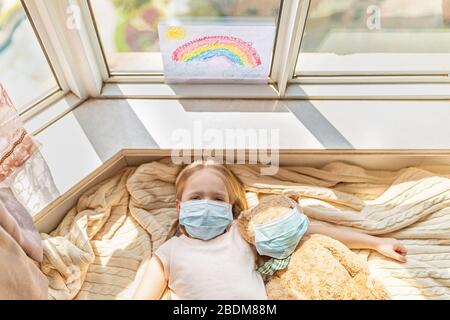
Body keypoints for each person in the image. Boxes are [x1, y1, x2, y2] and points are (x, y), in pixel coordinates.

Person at [133, 160, 407, 300]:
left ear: (231, 207)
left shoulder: (243, 233)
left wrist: (374, 243)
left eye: (217, 199)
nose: (206, 204)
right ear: (180, 206)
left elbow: (308, 229)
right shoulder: (167, 253)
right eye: (196, 198)